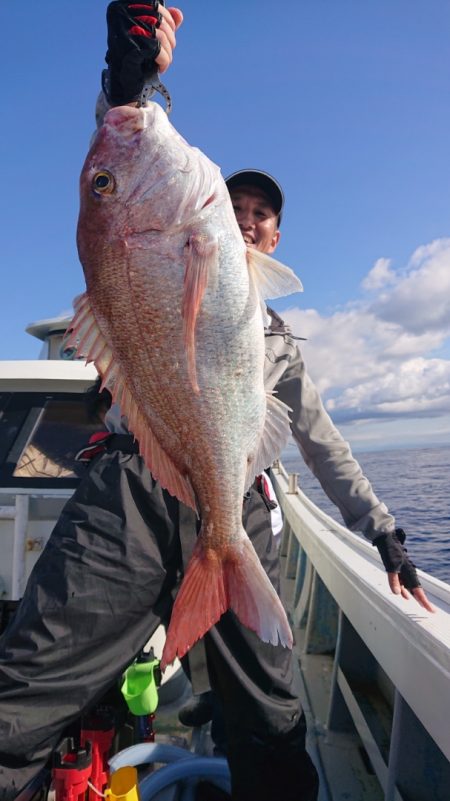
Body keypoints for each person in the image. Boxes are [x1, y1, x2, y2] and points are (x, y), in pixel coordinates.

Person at [0, 4, 434, 800]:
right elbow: (125, 169)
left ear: (271, 242)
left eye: (264, 214)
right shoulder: (166, 238)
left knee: (269, 716)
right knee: (23, 691)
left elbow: (323, 443)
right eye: (239, 206)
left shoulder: (276, 338)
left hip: (235, 499)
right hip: (129, 488)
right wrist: (133, 81)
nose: (249, 218)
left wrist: (385, 531)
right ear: (215, 226)